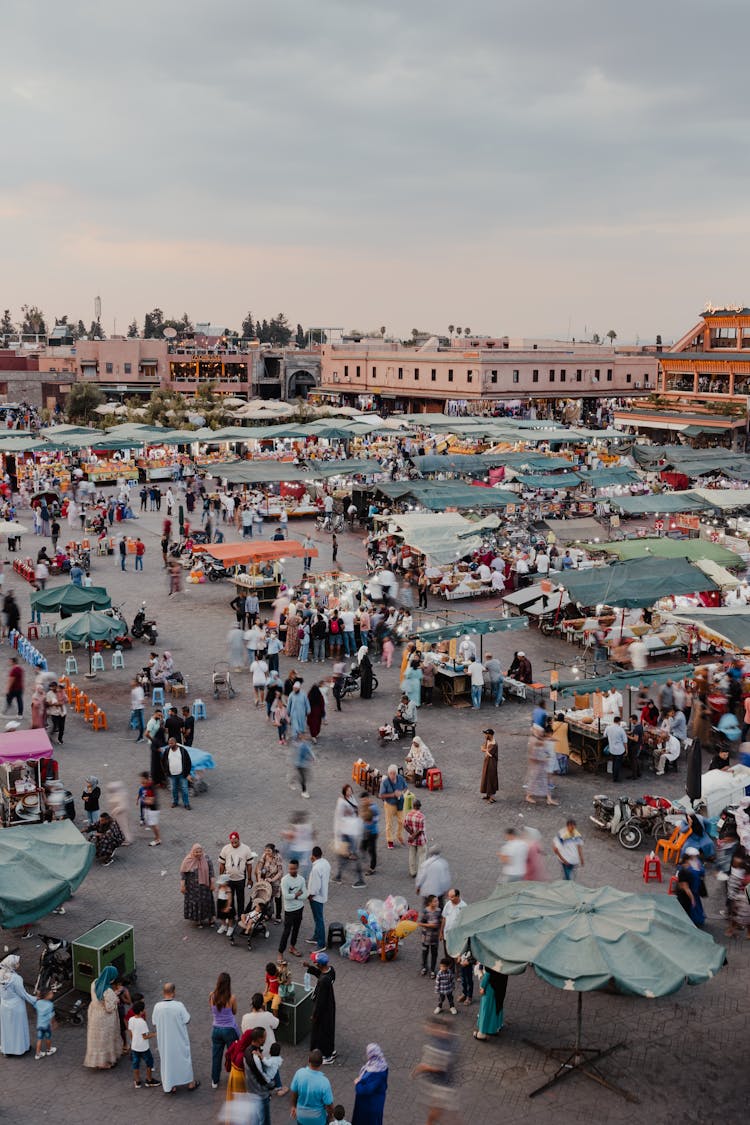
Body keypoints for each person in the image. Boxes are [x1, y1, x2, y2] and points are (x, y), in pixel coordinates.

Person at [152, 982, 199, 1093]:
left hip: (165, 1040)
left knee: (168, 1062)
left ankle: (171, 1085)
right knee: (184, 1060)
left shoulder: (157, 1007)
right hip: (179, 1039)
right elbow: (187, 1019)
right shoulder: (179, 1006)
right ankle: (190, 1083)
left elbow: (154, 1022)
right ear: (174, 992)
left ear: (163, 992)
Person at [84, 966, 121, 1069]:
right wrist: (116, 999)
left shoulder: (94, 982)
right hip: (105, 1018)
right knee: (105, 1039)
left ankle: (97, 1060)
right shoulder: (108, 991)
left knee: (97, 1040)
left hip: (94, 1013)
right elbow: (109, 1008)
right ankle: (103, 1063)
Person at [0, 955, 38, 1056]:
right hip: (16, 1006)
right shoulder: (16, 978)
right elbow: (23, 994)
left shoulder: (0, 974)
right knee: (19, 1028)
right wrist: (35, 1000)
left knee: (6, 1029)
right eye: (16, 963)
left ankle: (7, 1050)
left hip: (4, 1005)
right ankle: (20, 1049)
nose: (18, 964)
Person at [304, 952, 337, 1063]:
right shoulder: (331, 971)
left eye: (315, 962)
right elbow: (321, 973)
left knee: (322, 1032)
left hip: (324, 1011)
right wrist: (310, 967)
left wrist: (314, 1015)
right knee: (329, 1030)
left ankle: (327, 1056)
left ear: (320, 965)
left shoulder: (323, 981)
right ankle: (330, 1050)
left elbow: (320, 1002)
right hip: (330, 1006)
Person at [209, 972, 239, 1090]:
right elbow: (235, 1012)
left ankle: (214, 1080)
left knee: (216, 1056)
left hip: (216, 1029)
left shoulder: (211, 996)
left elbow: (212, 1010)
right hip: (229, 1030)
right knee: (233, 1054)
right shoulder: (231, 998)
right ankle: (233, 1077)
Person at [290, 1049, 334, 1124]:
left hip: (301, 1117)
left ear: (308, 1060)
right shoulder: (324, 1082)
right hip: (318, 1120)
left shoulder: (299, 1073)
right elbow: (329, 1104)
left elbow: (294, 1093)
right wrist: (330, 1117)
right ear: (321, 1063)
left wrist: (294, 1106)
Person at [219, 831, 256, 919]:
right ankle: (231, 916)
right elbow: (221, 864)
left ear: (238, 839)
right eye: (232, 842)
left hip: (240, 879)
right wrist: (221, 878)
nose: (234, 844)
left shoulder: (246, 849)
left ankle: (240, 916)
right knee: (229, 899)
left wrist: (250, 879)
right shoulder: (225, 849)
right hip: (229, 879)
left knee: (240, 899)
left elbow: (249, 865)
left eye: (235, 842)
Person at [352, 1043, 388, 1125]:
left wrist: (358, 1083)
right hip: (376, 1101)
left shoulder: (376, 1073)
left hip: (369, 1105)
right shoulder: (382, 1065)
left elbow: (364, 1090)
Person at [179, 843, 215, 927]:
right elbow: (183, 874)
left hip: (205, 887)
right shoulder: (188, 860)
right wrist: (182, 885)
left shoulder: (206, 859)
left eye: (200, 851)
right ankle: (198, 920)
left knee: (207, 901)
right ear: (192, 852)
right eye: (196, 852)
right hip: (193, 888)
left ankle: (210, 918)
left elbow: (211, 872)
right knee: (196, 903)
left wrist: (212, 883)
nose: (198, 854)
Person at [278, 858, 306, 959]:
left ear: (297, 868)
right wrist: (297, 894)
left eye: (294, 869)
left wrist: (295, 895)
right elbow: (286, 896)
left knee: (296, 929)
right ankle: (280, 953)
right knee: (287, 931)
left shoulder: (301, 879)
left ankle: (292, 947)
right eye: (290, 869)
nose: (292, 871)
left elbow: (305, 895)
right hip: (289, 910)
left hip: (299, 908)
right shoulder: (284, 880)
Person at [127, 998, 159, 1087]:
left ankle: (137, 1081)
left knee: (136, 1064)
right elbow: (145, 1036)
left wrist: (133, 1041)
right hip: (143, 1047)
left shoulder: (131, 1019)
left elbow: (130, 1032)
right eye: (144, 1009)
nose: (145, 1010)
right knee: (149, 1062)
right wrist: (156, 1034)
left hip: (134, 1046)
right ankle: (149, 1080)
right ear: (141, 1012)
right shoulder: (142, 1022)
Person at [307, 845, 331, 953]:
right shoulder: (325, 863)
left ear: (313, 856)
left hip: (316, 897)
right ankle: (316, 936)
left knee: (319, 919)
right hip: (323, 894)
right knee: (318, 918)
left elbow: (315, 887)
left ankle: (321, 943)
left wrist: (310, 896)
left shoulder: (316, 868)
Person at [525, 726, 558, 805]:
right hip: (537, 765)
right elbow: (532, 755)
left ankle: (549, 798)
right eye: (540, 732)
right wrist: (543, 759)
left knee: (545, 781)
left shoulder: (539, 740)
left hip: (542, 764)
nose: (541, 733)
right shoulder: (534, 741)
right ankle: (528, 796)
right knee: (534, 780)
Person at [379, 764, 408, 849]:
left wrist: (401, 792)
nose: (392, 775)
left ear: (396, 773)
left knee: (402, 821)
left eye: (394, 773)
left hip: (399, 802)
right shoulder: (385, 782)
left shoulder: (400, 778)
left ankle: (398, 835)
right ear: (388, 773)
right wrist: (393, 794)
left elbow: (405, 787)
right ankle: (390, 840)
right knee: (389, 823)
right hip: (389, 804)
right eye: (391, 773)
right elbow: (381, 795)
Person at [474, 968, 507, 1041]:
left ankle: (482, 1033)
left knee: (486, 1009)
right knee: (497, 1005)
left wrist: (482, 986)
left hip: (490, 987)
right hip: (501, 985)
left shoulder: (492, 958)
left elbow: (488, 973)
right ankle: (495, 1028)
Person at [675, 848, 706, 927]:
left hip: (693, 890)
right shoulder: (685, 869)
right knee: (689, 907)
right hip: (689, 892)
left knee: (692, 907)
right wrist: (692, 898)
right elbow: (685, 887)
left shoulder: (694, 863)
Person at [162, 737, 192, 809]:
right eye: (169, 743)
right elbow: (163, 762)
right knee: (174, 789)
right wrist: (166, 771)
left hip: (182, 774)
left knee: (184, 789)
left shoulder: (182, 751)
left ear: (175, 743)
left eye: (171, 743)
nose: (170, 745)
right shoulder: (167, 751)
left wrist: (187, 773)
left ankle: (186, 804)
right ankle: (175, 802)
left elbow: (188, 762)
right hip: (172, 775)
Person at [404, 798, 427, 877]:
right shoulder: (421, 816)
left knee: (412, 855)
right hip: (420, 840)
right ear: (420, 806)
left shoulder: (408, 814)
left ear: (413, 806)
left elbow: (405, 826)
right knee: (422, 856)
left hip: (411, 840)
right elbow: (420, 830)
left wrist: (411, 834)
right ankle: (421, 873)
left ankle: (412, 872)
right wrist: (414, 836)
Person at [34, 988, 57, 1061]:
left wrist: (38, 996)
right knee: (48, 1037)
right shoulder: (50, 1005)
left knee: (39, 1039)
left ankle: (37, 1054)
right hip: (47, 1025)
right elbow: (52, 1015)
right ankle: (49, 1050)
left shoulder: (38, 1003)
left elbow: (35, 1005)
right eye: (51, 993)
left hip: (39, 1024)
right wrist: (54, 1023)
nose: (52, 994)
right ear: (47, 996)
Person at [479, 728, 498, 804]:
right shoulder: (488, 740)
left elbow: (487, 752)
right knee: (486, 777)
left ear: (490, 735)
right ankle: (488, 795)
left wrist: (485, 750)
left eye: (486, 734)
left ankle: (492, 797)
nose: (485, 735)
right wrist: (484, 749)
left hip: (492, 763)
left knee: (491, 778)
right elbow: (484, 748)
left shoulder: (494, 744)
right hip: (487, 761)